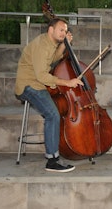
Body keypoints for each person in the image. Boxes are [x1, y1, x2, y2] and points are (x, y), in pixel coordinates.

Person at [15, 18, 83, 172]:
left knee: (54, 112)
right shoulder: (41, 45)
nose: (64, 33)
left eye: (65, 31)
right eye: (61, 30)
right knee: (53, 115)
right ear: (50, 30)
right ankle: (52, 160)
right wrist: (67, 82)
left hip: (38, 83)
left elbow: (52, 60)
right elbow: (41, 76)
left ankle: (53, 154)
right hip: (29, 85)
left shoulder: (50, 43)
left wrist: (64, 46)